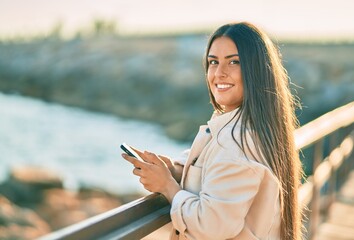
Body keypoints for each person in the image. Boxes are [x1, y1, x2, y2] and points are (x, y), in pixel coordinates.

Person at [122, 22, 303, 240]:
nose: (219, 73)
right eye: (213, 62)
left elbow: (212, 225)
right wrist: (178, 174)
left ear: (256, 69)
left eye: (234, 62)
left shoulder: (237, 139)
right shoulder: (254, 127)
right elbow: (222, 181)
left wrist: (168, 187)